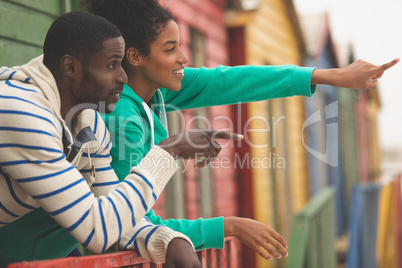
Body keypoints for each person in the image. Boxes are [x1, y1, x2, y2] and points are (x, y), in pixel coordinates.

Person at [82, 0, 400, 262]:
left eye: (180, 46)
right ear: (135, 57)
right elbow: (131, 225)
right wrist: (229, 226)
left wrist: (329, 75)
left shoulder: (156, 88)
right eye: (170, 49)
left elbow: (232, 80)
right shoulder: (122, 119)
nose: (183, 57)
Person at [0, 11, 241, 267]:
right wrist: (168, 151)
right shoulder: (20, 113)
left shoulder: (88, 121)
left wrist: (169, 240)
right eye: (112, 65)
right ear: (70, 67)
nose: (123, 78)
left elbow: (115, 215)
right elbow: (98, 230)